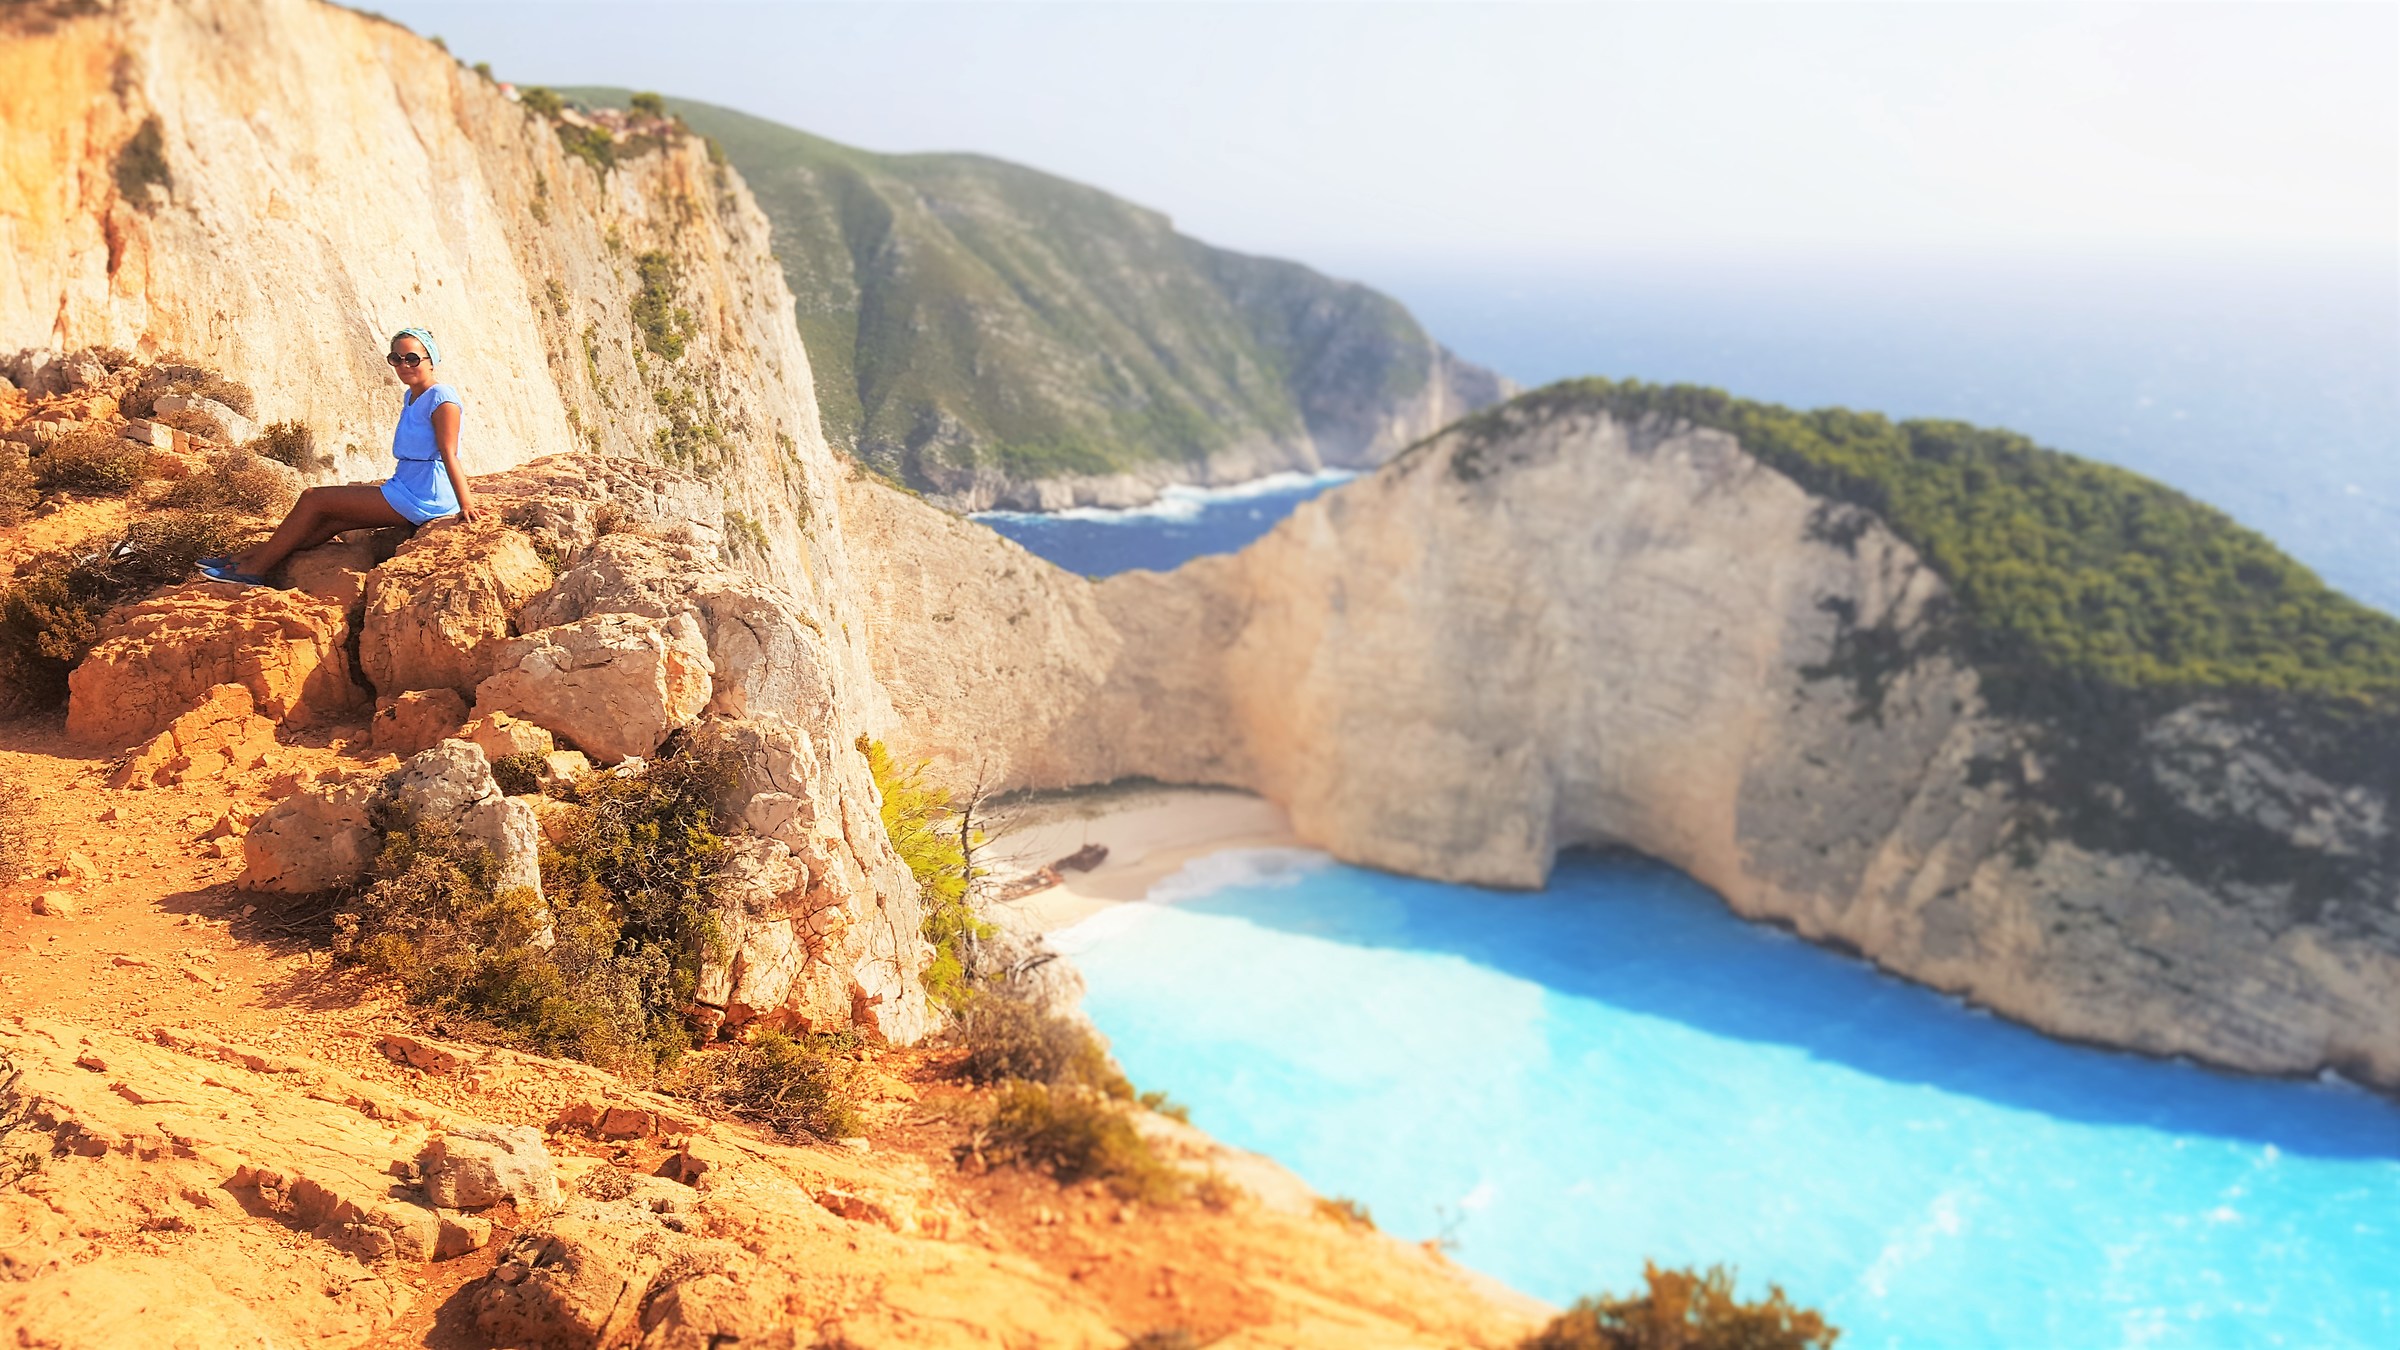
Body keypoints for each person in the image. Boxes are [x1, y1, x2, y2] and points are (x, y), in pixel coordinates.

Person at [199, 327, 480, 585]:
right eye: (396, 358)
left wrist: (465, 504)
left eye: (412, 358)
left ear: (431, 360)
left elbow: (449, 453)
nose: (404, 365)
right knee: (332, 520)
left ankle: (253, 570)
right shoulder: (412, 396)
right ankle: (244, 558)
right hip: (406, 485)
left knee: (314, 498)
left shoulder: (441, 397)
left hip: (424, 494)